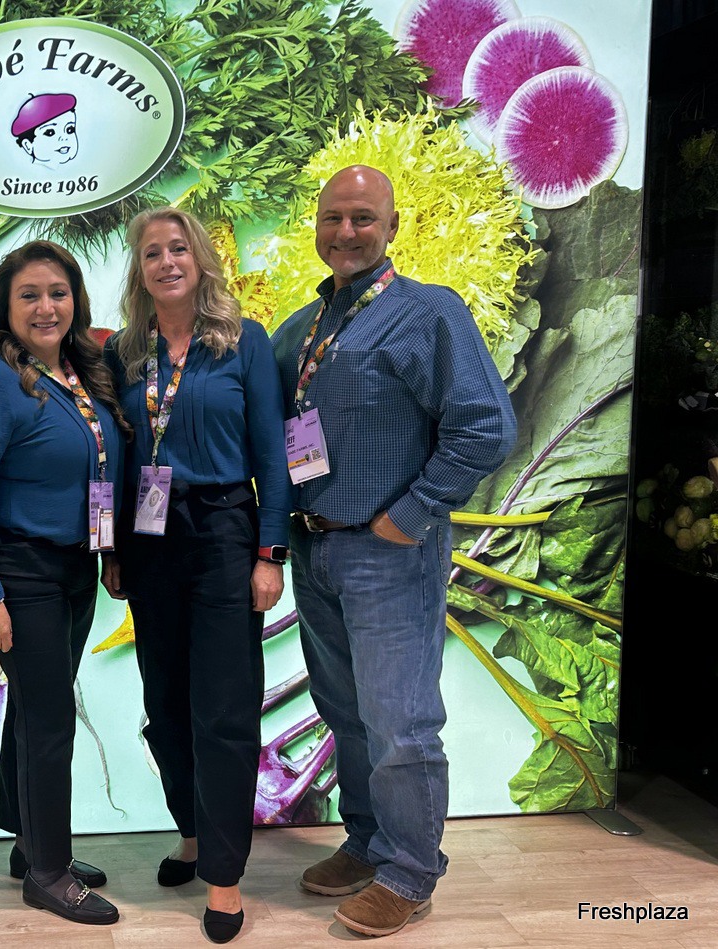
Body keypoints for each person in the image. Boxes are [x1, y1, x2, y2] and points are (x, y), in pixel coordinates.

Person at [270, 165, 516, 938]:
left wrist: (411, 514)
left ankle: (410, 871)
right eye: (333, 217)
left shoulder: (429, 312)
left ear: (392, 227)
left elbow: (485, 426)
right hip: (316, 551)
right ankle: (368, 842)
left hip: (388, 556)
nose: (345, 232)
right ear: (316, 225)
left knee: (400, 720)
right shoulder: (300, 329)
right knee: (345, 712)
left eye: (363, 218)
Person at [101, 207, 292, 944]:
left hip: (222, 530)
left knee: (222, 706)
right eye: (152, 252)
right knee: (165, 701)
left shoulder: (243, 342)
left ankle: (224, 875)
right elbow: (115, 454)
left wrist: (270, 552)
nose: (167, 262)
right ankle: (191, 831)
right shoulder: (124, 352)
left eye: (178, 248)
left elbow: (273, 453)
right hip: (149, 538)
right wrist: (112, 547)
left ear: (200, 258)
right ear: (139, 270)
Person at [0, 240, 128, 926]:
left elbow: (101, 466)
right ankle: (50, 873)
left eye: (58, 292)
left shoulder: (82, 372)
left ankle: (31, 843)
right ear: (6, 307)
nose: (46, 307)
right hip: (21, 573)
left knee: (35, 711)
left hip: (75, 567)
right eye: (29, 295)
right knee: (50, 720)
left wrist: (110, 552)